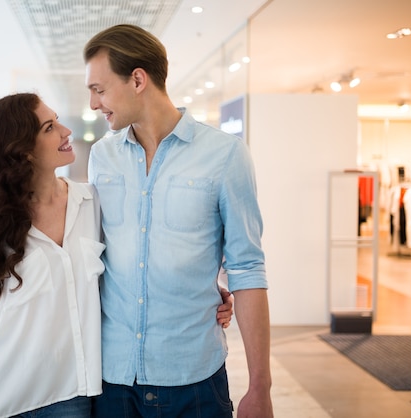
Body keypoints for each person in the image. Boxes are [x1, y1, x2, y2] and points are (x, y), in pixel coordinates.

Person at [0, 92, 238, 417]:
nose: (66, 131)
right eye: (49, 127)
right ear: (22, 151)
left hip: (73, 398)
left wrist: (205, 293)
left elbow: (134, 258)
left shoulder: (91, 204)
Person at [84, 24, 273, 418]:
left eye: (99, 89)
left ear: (138, 79)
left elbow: (248, 269)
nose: (93, 104)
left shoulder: (225, 155)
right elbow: (93, 256)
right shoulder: (102, 157)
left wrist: (260, 386)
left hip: (194, 381)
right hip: (113, 380)